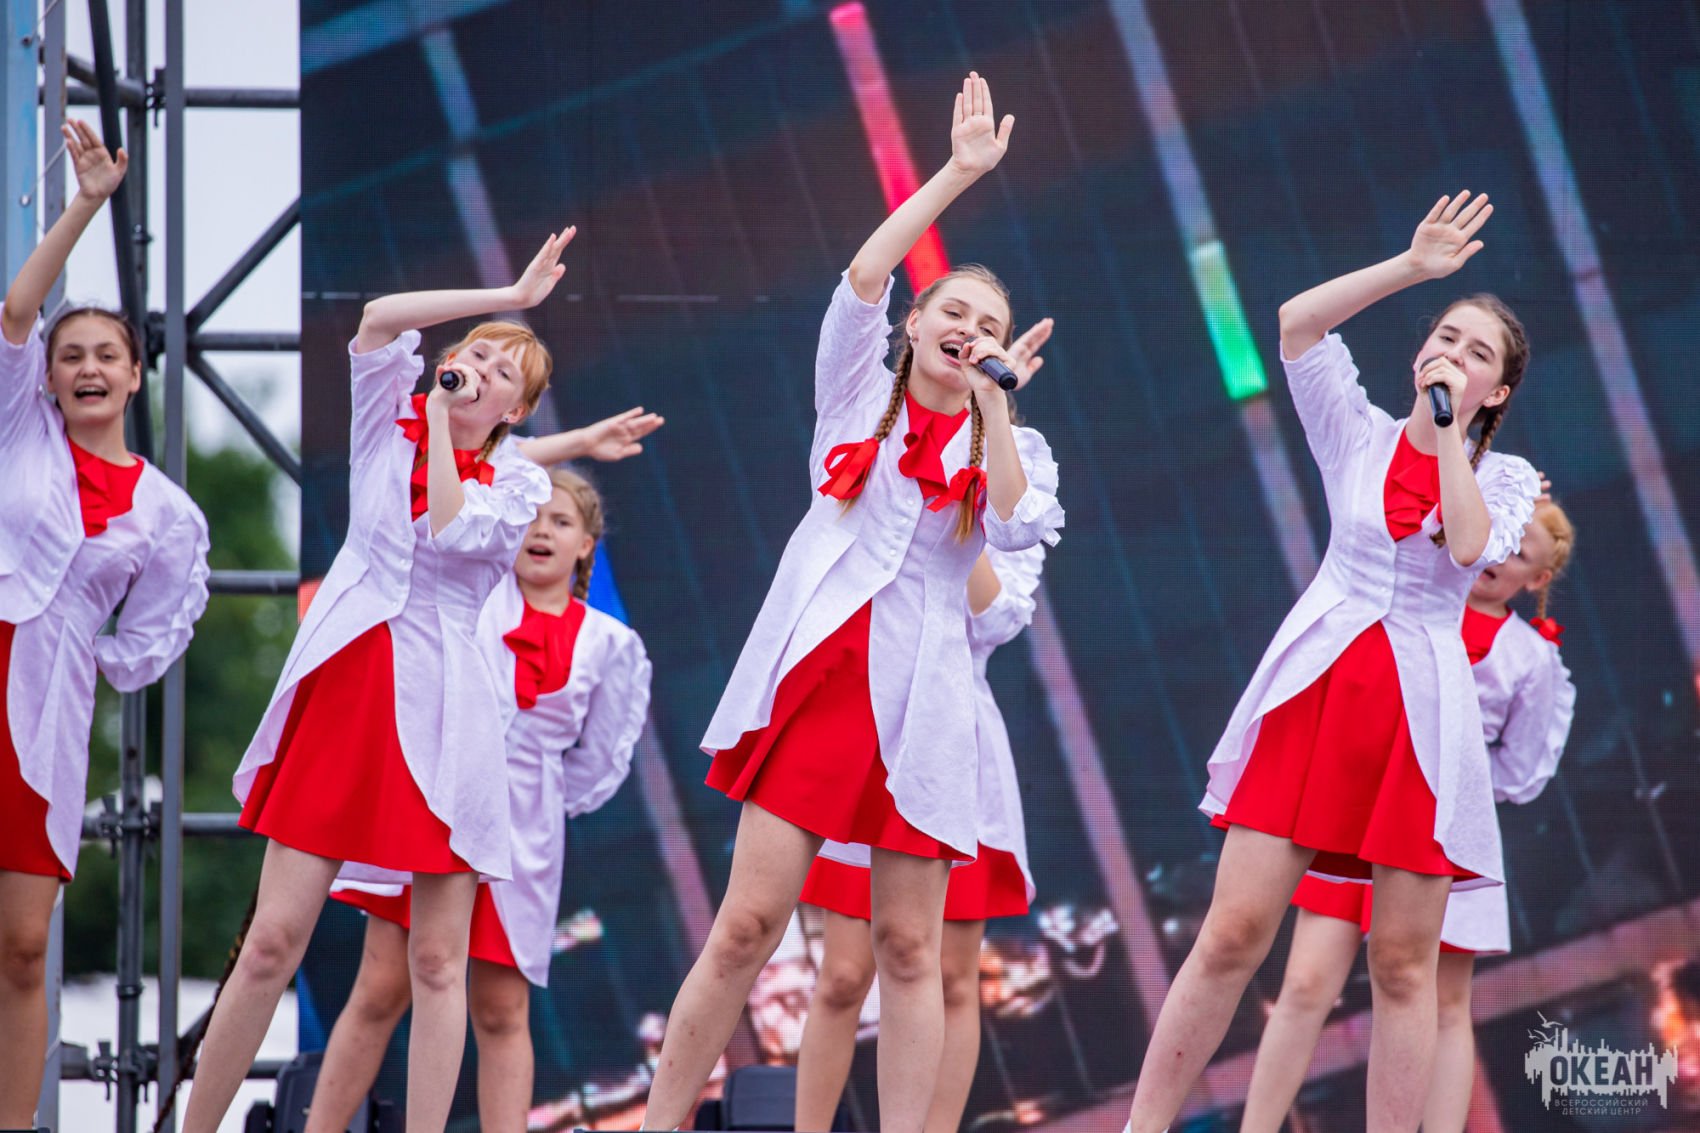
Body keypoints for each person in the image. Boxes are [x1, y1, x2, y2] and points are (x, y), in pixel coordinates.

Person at [640, 73, 1064, 1133]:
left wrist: (998, 406)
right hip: (824, 681)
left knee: (910, 948)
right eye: (952, 312)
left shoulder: (1007, 442)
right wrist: (955, 174)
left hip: (925, 706)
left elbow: (1018, 531)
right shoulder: (856, 394)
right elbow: (864, 275)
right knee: (747, 926)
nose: (968, 329)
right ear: (917, 323)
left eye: (988, 325)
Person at [1123, 192, 1541, 1133]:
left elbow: (1467, 543)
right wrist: (1411, 268)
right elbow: (1297, 324)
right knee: (1233, 931)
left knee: (1401, 965)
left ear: (1497, 392)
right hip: (1318, 695)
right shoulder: (1355, 433)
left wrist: (1448, 433)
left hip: (1418, 723)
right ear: (1419, 350)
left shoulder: (1503, 478)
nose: (1455, 354)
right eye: (1446, 336)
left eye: (1479, 353)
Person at [182, 230, 573, 1133]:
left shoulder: (516, 485)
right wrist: (509, 298)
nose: (480, 371)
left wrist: (438, 424)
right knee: (272, 939)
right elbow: (377, 317)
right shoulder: (382, 421)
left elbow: (449, 529)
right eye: (475, 353)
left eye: (503, 373)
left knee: (437, 960)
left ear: (516, 411)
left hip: (447, 712)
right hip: (350, 688)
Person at [304, 467, 652, 1133]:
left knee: (500, 1008)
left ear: (586, 544)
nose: (541, 531)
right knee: (381, 987)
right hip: (438, 804)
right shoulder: (473, 601)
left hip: (523, 833)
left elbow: (601, 760)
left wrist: (534, 793)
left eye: (561, 521)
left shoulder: (611, 645)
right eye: (532, 518)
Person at [1239, 502, 1576, 1133]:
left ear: (1537, 580)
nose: (1498, 558)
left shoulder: (1531, 659)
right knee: (1305, 985)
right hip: (1359, 812)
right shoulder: (1410, 594)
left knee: (1441, 1003)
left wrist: (1454, 777)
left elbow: (1524, 769)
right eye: (1500, 539)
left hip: (1445, 831)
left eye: (1519, 555)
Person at [0, 121, 210, 1130]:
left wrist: (88, 651)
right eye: (71, 355)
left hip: (44, 713)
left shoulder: (168, 513)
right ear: (47, 376)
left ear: (134, 375)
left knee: (22, 946)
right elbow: (16, 309)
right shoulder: (19, 429)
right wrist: (85, 203)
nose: (87, 367)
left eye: (107, 355)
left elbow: (155, 633)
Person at [793, 539, 1048, 1133]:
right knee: (844, 975)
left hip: (956, 745)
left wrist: (968, 516)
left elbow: (997, 622)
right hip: (869, 728)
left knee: (952, 977)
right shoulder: (882, 473)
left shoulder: (1020, 491)